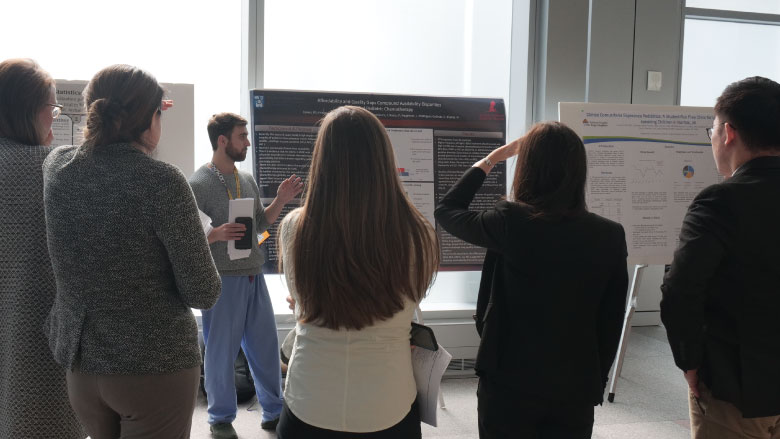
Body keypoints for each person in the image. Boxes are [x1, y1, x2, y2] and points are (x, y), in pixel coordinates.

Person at [42, 64, 221, 439]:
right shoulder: (162, 182)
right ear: (148, 119)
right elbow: (203, 291)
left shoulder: (57, 168)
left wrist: (147, 112)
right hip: (153, 366)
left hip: (83, 364)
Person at [435, 121, 628, 439]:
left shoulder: (511, 222)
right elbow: (611, 318)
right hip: (575, 385)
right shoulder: (609, 234)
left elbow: (447, 209)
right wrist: (596, 379)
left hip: (510, 381)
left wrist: (492, 159)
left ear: (527, 169)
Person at [275, 106, 439, 438]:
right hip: (389, 402)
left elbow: (304, 300)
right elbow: (409, 300)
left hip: (310, 400)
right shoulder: (420, 233)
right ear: (383, 159)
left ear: (322, 161)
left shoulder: (294, 227)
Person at [660, 76, 780, 438]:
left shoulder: (721, 200)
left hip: (737, 387)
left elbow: (681, 289)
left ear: (728, 133)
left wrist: (690, 362)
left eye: (710, 132)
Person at [189, 112, 302, 438]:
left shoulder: (247, 179)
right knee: (220, 354)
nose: (248, 142)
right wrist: (215, 234)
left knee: (265, 348)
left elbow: (259, 227)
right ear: (222, 140)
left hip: (254, 276)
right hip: (222, 280)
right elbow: (186, 237)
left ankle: (273, 412)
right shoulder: (198, 184)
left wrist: (280, 200)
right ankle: (220, 419)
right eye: (242, 136)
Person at [0, 58, 85, 439]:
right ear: (29, 110)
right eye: (52, 109)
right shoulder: (53, 168)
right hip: (39, 341)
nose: (55, 117)